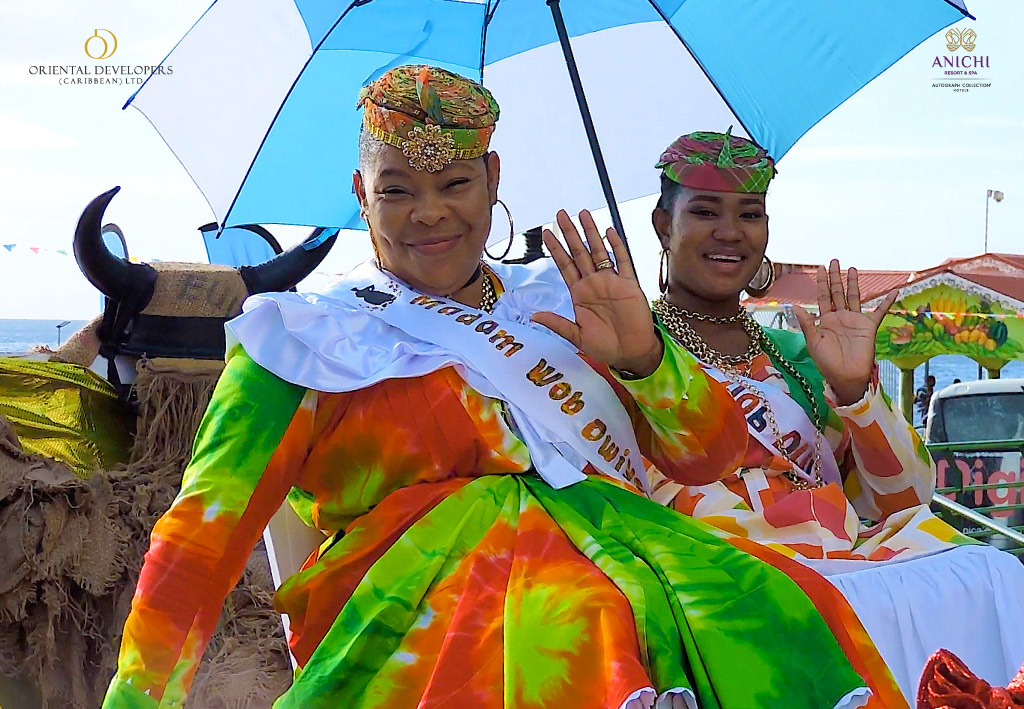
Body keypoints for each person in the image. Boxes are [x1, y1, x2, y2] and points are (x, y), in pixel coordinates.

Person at [101, 68, 899, 709]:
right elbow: (201, 538)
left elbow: (710, 454)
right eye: (398, 190)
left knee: (787, 603)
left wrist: (645, 360)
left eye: (453, 183)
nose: (429, 214)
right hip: (422, 616)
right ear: (359, 191)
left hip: (629, 557)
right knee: (578, 630)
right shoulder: (306, 337)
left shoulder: (557, 299)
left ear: (492, 178)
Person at [612, 128, 1024, 699]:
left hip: (844, 552)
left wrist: (855, 391)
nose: (730, 232)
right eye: (705, 211)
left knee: (997, 575)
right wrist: (643, 366)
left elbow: (905, 500)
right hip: (723, 567)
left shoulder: (799, 354)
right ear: (663, 224)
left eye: (750, 215)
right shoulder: (628, 350)